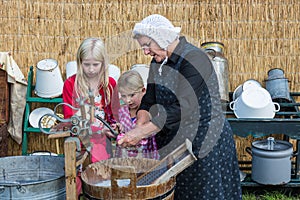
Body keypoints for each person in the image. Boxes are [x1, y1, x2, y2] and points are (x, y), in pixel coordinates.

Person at [118, 14, 242, 199]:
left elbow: (184, 107)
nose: (145, 52)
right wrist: (139, 124)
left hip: (204, 140)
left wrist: (142, 133)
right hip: (175, 141)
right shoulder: (157, 62)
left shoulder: (195, 60)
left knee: (204, 193)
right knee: (179, 191)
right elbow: (149, 98)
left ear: (161, 38)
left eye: (147, 45)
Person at [62, 37, 120, 197]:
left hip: (103, 142)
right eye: (86, 64)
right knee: (77, 182)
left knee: (100, 177)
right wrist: (98, 129)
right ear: (79, 62)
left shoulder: (110, 85)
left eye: (96, 64)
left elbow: (115, 113)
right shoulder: (71, 84)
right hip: (79, 140)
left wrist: (114, 125)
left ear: (103, 63)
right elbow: (70, 118)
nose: (91, 69)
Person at [115, 70, 159, 159]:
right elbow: (119, 131)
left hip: (147, 157)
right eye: (124, 96)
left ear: (143, 91)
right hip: (126, 158)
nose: (128, 100)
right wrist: (117, 128)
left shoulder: (151, 112)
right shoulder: (121, 112)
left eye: (132, 95)